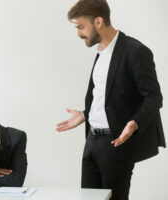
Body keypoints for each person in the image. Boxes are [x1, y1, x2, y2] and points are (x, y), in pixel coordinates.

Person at [56, 0, 165, 199]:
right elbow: (107, 97)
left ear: (98, 22)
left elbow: (154, 97)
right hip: (91, 142)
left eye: (81, 27)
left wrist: (134, 123)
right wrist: (85, 114)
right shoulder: (101, 53)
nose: (78, 33)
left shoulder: (136, 51)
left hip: (115, 145)